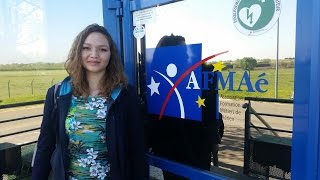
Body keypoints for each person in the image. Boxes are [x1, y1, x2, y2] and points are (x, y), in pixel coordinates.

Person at [32, 24, 147, 179]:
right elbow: (45, 146)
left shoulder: (126, 95)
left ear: (111, 55)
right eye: (87, 48)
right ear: (78, 52)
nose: (94, 54)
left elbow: (137, 150)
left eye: (102, 49)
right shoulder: (57, 93)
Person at [145, 34, 218, 179]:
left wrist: (213, 133)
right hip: (173, 159)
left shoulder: (197, 80)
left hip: (198, 156)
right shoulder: (157, 85)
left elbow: (210, 114)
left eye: (186, 54)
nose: (186, 58)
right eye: (182, 54)